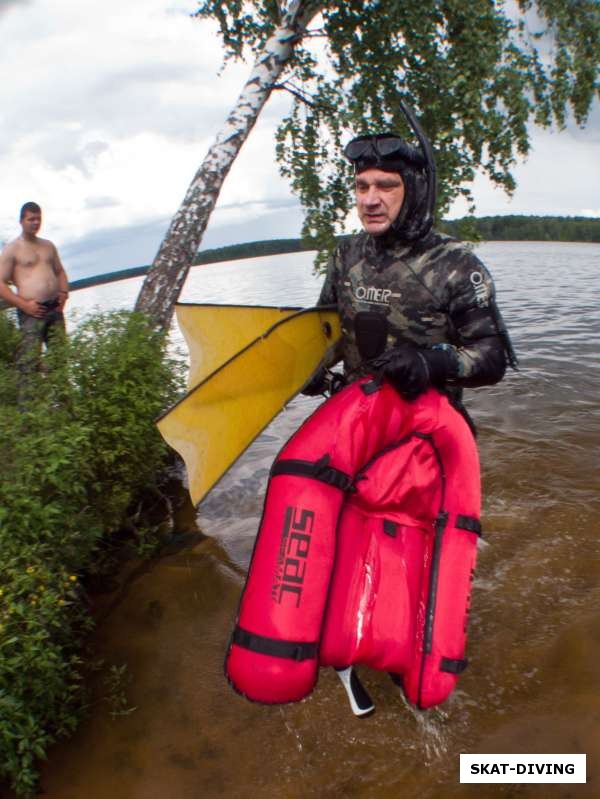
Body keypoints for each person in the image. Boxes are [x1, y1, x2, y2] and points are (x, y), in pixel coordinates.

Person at [305, 105, 516, 416]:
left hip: (426, 430)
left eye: (386, 186)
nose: (369, 200)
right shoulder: (345, 255)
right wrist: (309, 370)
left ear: (413, 190)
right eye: (361, 186)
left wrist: (430, 363)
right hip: (356, 419)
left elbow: (492, 358)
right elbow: (327, 334)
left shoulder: (455, 263)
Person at [0, 202, 69, 389]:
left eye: (38, 218)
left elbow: (60, 271)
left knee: (60, 359)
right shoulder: (12, 249)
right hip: (32, 313)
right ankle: (29, 412)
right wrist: (23, 305)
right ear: (21, 221)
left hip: (54, 309)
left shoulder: (48, 246)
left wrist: (64, 292)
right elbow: (1, 284)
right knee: (29, 364)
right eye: (31, 219)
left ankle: (64, 406)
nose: (35, 222)